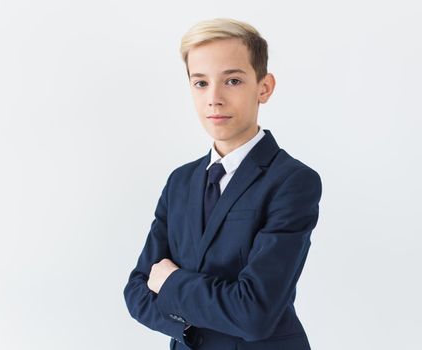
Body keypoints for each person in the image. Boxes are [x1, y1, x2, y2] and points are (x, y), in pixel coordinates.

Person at [123, 18, 322, 350]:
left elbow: (254, 313)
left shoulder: (292, 181)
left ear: (264, 87)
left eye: (232, 80)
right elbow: (136, 291)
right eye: (201, 83)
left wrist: (171, 282)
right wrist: (189, 324)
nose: (214, 98)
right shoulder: (180, 182)